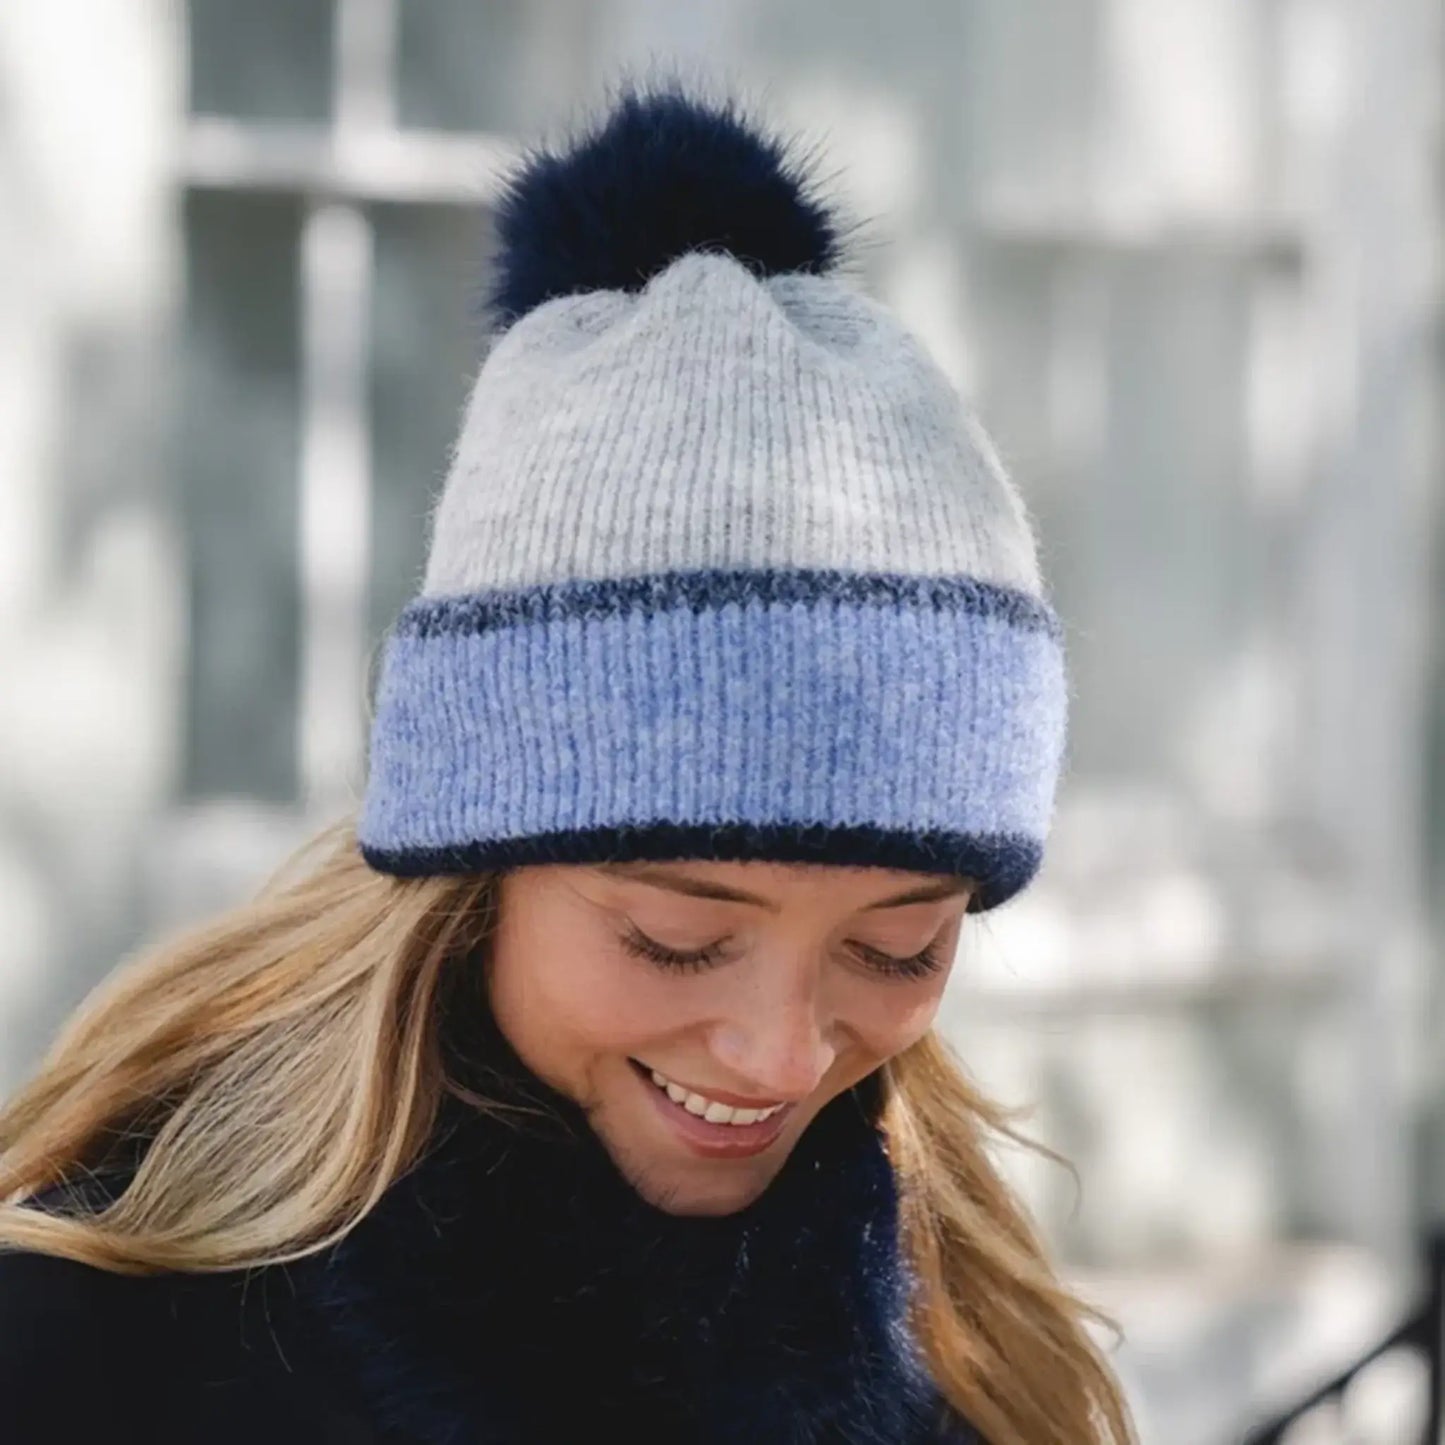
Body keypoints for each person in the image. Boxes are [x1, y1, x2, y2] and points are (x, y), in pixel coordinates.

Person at [0, 82, 1137, 1444]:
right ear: (473, 869)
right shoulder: (96, 1342)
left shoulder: (969, 1339)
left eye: (898, 946)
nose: (777, 1049)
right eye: (671, 935)